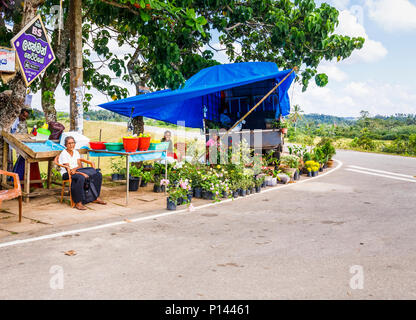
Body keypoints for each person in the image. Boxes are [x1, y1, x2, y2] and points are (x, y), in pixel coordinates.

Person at [59, 136, 106, 210]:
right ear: (65, 145)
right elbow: (69, 169)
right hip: (67, 173)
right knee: (81, 177)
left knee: (97, 175)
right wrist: (81, 173)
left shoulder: (76, 152)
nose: (71, 145)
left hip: (77, 171)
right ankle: (78, 202)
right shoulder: (64, 154)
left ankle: (95, 197)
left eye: (73, 143)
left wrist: (77, 170)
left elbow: (80, 165)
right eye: (69, 143)